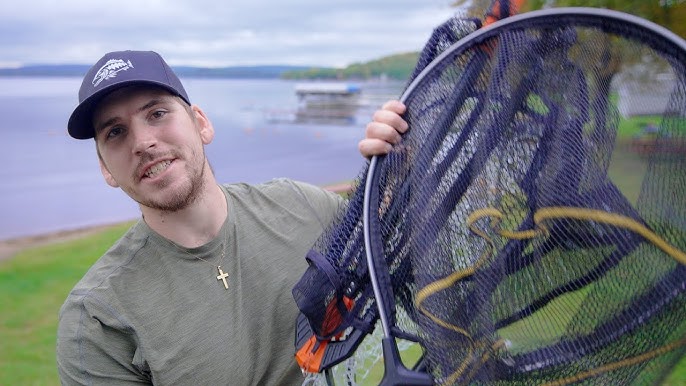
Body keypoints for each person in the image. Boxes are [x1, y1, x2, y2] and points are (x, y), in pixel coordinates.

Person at [56, 50, 408, 385]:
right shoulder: (95, 318)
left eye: (157, 114)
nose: (143, 142)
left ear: (201, 124)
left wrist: (396, 159)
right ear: (106, 169)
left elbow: (392, 243)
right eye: (115, 132)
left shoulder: (301, 205)